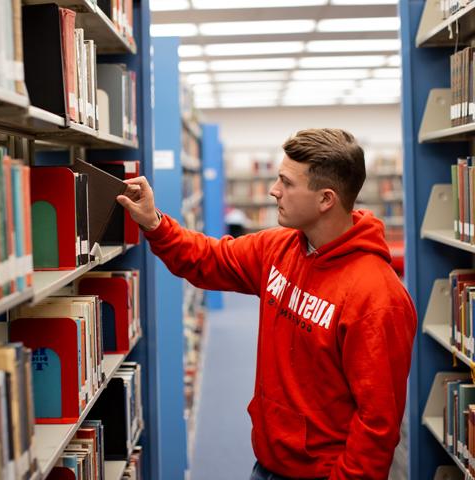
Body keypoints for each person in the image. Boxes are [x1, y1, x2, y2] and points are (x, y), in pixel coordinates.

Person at [116, 128, 417, 480]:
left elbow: (376, 426)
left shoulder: (378, 298)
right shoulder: (279, 247)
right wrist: (153, 223)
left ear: (326, 199)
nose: (274, 191)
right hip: (269, 462)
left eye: (286, 183)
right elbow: (207, 259)